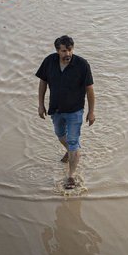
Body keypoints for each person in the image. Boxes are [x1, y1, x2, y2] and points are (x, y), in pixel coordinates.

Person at [36, 35, 95, 190]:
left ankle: (71, 176)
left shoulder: (82, 65)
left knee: (73, 140)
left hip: (75, 111)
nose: (67, 54)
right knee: (59, 134)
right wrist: (40, 105)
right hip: (55, 109)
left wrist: (91, 112)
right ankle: (71, 151)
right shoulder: (49, 61)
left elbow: (90, 90)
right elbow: (43, 82)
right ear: (57, 51)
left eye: (70, 50)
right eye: (63, 51)